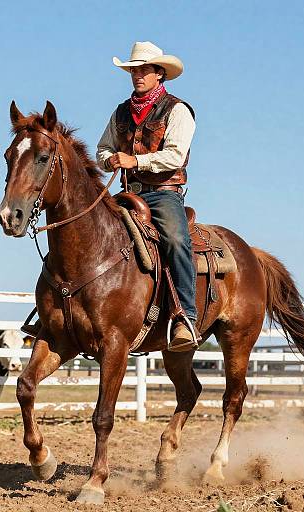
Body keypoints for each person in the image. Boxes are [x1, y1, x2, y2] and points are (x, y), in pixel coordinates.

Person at [96, 41, 201, 351]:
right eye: (133, 70)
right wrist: (110, 159)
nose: (137, 75)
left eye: (143, 70)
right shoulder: (120, 112)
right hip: (127, 193)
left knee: (175, 240)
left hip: (164, 194)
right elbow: (102, 149)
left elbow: (176, 156)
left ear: (159, 74)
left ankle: (185, 317)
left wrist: (135, 161)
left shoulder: (177, 110)